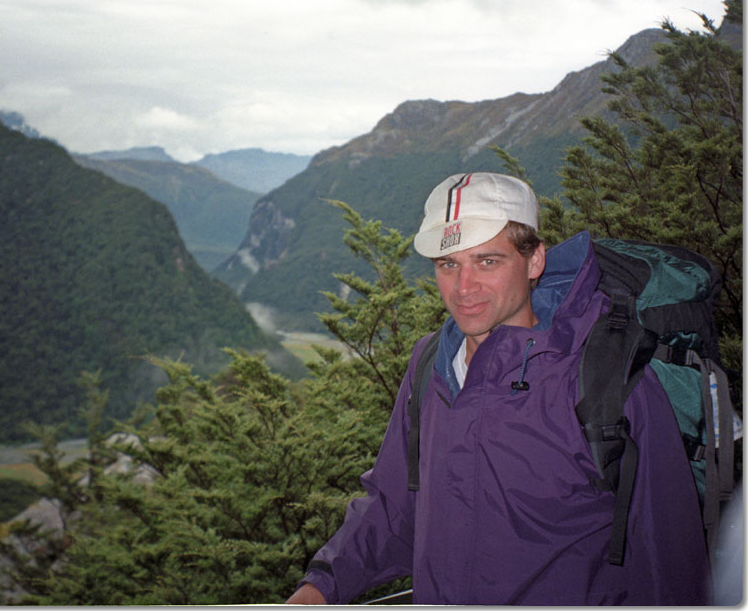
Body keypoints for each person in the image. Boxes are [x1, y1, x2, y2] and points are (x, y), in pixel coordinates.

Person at [286, 172, 710, 605]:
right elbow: (396, 508)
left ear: (534, 261)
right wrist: (319, 587)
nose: (463, 287)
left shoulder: (607, 371)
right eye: (448, 264)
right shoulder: (430, 364)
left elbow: (670, 560)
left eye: (487, 261)